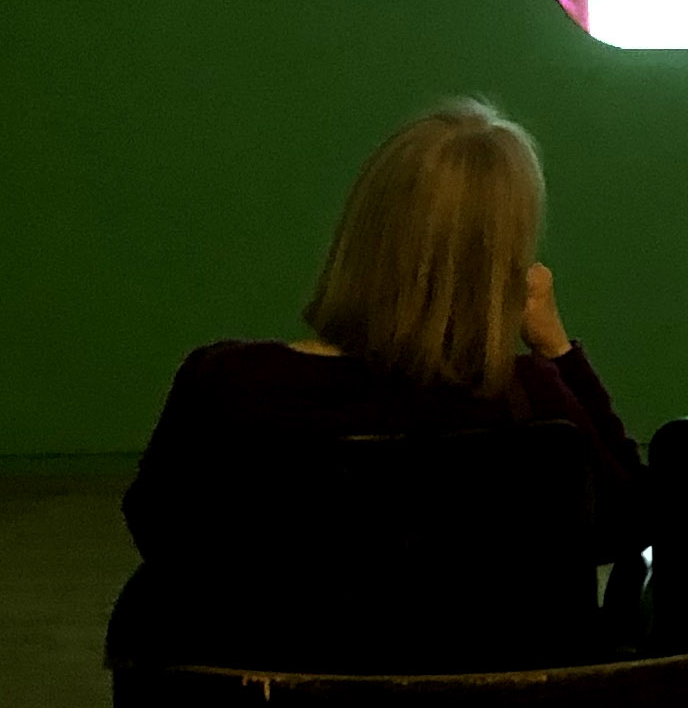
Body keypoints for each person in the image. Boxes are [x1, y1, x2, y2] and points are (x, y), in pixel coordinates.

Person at [108, 101, 646, 672]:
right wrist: (558, 350)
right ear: (507, 269)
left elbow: (160, 532)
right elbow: (631, 521)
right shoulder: (532, 403)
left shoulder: (224, 382)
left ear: (361, 231)